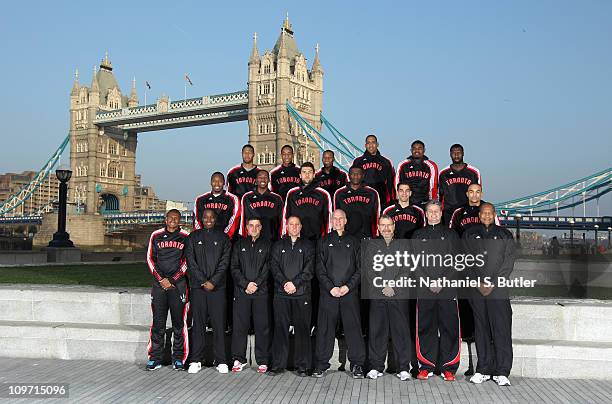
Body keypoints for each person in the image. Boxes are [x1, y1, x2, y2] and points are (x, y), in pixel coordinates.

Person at [462, 203, 516, 387]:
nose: (486, 215)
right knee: (481, 330)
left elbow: (508, 262)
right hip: (476, 290)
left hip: (498, 290)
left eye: (489, 213)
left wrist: (492, 283)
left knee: (501, 330)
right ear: (479, 215)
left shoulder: (504, 234)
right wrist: (477, 282)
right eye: (483, 213)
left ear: (494, 215)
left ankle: (502, 371)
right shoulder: (469, 233)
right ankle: (483, 369)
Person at [312, 209, 366, 379]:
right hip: (329, 294)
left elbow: (360, 269)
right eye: (335, 219)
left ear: (345, 220)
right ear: (331, 220)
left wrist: (347, 287)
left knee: (353, 330)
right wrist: (331, 288)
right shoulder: (323, 241)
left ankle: (357, 365)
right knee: (325, 330)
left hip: (349, 294)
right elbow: (319, 269)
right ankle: (321, 364)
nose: (338, 221)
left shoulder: (354, 241)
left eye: (341, 218)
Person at [412, 200, 461, 382]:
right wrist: (427, 281)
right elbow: (414, 263)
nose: (433, 214)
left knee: (449, 327)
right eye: (430, 211)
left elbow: (457, 261)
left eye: (436, 211)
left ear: (441, 213)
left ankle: (449, 367)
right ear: (425, 214)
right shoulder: (417, 235)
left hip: (447, 289)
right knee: (426, 327)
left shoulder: (451, 235)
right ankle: (426, 366)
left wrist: (442, 280)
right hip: (425, 289)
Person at [381, 182, 425, 376]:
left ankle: (405, 365)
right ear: (397, 192)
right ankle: (377, 365)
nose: (404, 193)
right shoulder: (389, 209)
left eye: (408, 190)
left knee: (404, 318)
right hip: (391, 262)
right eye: (401, 190)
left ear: (411, 193)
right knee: (380, 323)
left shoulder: (418, 212)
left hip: (410, 265)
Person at [365, 215, 412, 381]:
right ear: (378, 227)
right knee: (377, 331)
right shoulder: (371, 246)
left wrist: (394, 286)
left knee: (401, 332)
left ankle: (403, 368)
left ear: (394, 227)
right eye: (383, 225)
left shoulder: (403, 246)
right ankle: (375, 367)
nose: (386, 228)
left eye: (389, 225)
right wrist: (383, 286)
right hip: (378, 295)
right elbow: (369, 270)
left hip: (398, 295)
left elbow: (407, 269)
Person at [185, 209, 232, 374]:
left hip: (218, 289)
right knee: (198, 325)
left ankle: (221, 360)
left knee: (219, 325)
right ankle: (196, 360)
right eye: (206, 217)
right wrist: (203, 281)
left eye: (212, 217)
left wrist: (213, 281)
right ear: (201, 219)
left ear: (216, 219)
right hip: (199, 289)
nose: (209, 220)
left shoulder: (224, 238)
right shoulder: (193, 237)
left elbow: (224, 262)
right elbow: (191, 262)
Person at [269, 216, 315, 376]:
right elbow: (274, 267)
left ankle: (303, 366)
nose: (294, 227)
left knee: (303, 330)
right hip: (282, 294)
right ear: (286, 226)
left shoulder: (308, 245)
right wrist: (285, 283)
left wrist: (295, 284)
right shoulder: (278, 245)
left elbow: (309, 269)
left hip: (301, 295)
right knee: (280, 329)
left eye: (297, 224)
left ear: (301, 226)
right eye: (291, 224)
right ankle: (278, 364)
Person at [145, 209, 190, 371]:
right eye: (170, 217)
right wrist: (161, 279)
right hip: (159, 285)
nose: (173, 220)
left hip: (177, 285)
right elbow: (150, 258)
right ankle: (155, 358)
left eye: (176, 218)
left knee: (179, 323)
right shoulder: (155, 235)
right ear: (165, 219)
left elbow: (187, 261)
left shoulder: (185, 236)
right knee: (158, 322)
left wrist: (171, 280)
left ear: (179, 220)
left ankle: (178, 358)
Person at [230, 217, 272, 374]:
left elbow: (268, 267)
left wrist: (256, 284)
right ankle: (238, 359)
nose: (254, 228)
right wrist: (245, 284)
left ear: (261, 227)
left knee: (262, 327)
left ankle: (262, 360)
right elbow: (234, 267)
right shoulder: (239, 244)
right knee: (240, 327)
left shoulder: (267, 244)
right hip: (242, 292)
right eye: (251, 226)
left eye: (257, 226)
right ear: (246, 228)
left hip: (260, 293)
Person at [282, 162, 332, 241]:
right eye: (304, 172)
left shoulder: (323, 194)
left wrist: (327, 239)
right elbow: (286, 216)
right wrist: (285, 235)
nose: (307, 175)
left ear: (314, 174)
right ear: (300, 175)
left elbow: (328, 219)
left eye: (310, 172)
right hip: (296, 238)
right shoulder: (292, 193)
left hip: (317, 239)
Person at [333, 165, 380, 239]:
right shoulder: (339, 193)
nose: (355, 176)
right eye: (353, 173)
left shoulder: (372, 193)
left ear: (363, 175)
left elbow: (377, 216)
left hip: (366, 235)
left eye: (358, 173)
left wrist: (376, 235)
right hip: (346, 237)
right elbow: (335, 217)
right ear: (349, 175)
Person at [438, 144, 481, 224]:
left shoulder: (473, 172)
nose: (456, 155)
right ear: (450, 154)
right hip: (449, 212)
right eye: (454, 153)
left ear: (463, 153)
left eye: (459, 152)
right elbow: (440, 195)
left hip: (468, 212)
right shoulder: (443, 173)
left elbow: (478, 194)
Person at [351, 134, 396, 208]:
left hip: (381, 199)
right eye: (368, 143)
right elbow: (353, 181)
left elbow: (391, 183)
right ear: (365, 145)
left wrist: (392, 201)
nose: (371, 145)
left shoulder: (386, 162)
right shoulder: (358, 161)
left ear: (377, 144)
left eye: (373, 142)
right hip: (362, 198)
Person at [193, 172, 240, 239]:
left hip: (224, 238)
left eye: (220, 181)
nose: (217, 184)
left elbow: (235, 219)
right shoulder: (200, 199)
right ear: (210, 182)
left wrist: (225, 236)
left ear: (224, 183)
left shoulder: (233, 199)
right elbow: (197, 220)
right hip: (205, 238)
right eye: (214, 181)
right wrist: (201, 236)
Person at [239, 169, 283, 241]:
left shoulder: (277, 198)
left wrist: (281, 237)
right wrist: (242, 237)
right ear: (256, 180)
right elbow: (242, 220)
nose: (263, 179)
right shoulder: (247, 197)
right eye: (260, 177)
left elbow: (281, 221)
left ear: (269, 180)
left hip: (272, 239)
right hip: (252, 239)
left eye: (265, 177)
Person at [396, 140, 439, 209]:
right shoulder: (403, 165)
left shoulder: (431, 165)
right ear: (411, 150)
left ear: (424, 150)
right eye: (414, 148)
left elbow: (434, 186)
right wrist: (398, 201)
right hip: (407, 203)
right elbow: (397, 184)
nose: (417, 150)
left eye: (419, 148)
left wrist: (432, 203)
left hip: (424, 203)